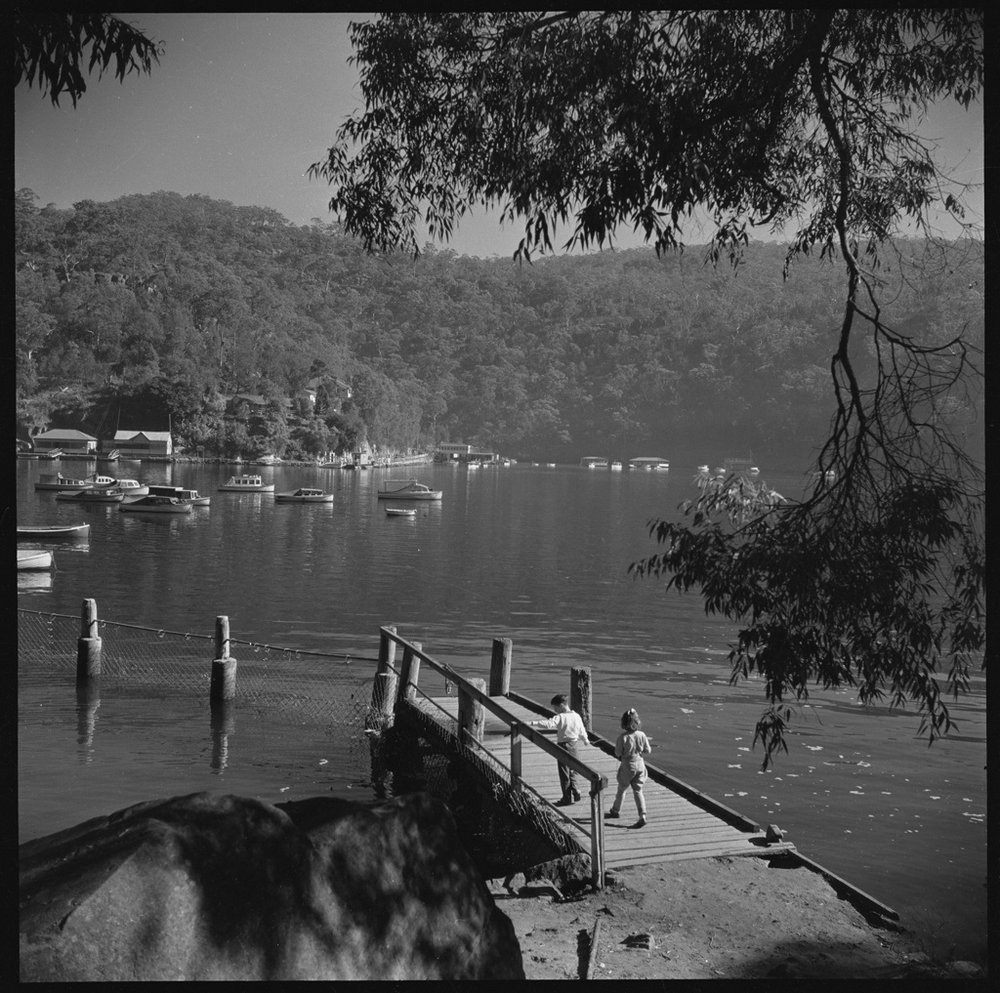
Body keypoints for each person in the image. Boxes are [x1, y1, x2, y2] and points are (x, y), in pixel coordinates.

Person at [530, 694, 587, 805]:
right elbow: (582, 729)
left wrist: (533, 723)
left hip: (563, 746)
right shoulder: (576, 716)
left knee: (564, 771)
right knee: (574, 769)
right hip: (574, 744)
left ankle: (566, 798)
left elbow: (548, 724)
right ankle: (575, 789)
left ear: (561, 706)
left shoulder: (560, 717)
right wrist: (585, 740)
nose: (555, 711)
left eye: (555, 708)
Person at [607, 708, 652, 827]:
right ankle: (642, 815)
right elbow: (648, 750)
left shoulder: (622, 737)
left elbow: (617, 753)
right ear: (637, 723)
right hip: (640, 764)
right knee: (638, 791)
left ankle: (615, 810)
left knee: (622, 789)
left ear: (623, 723)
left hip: (628, 765)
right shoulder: (642, 735)